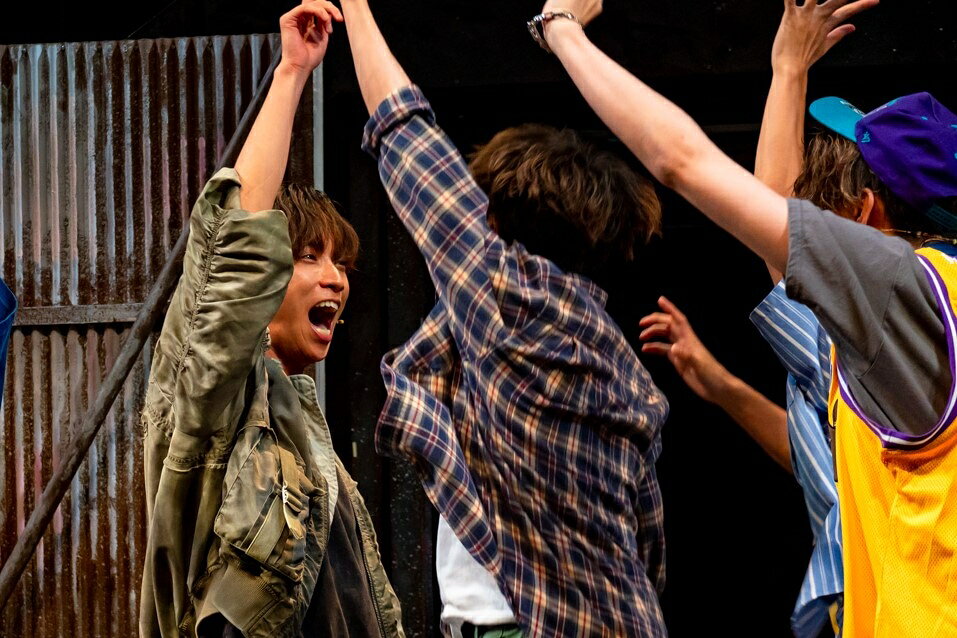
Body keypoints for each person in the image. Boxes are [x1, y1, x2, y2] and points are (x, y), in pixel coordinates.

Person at [539, 0, 957, 635]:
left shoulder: (898, 289)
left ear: (865, 212)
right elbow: (776, 216)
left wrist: (562, 33)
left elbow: (685, 163)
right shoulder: (929, 301)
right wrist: (788, 69)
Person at [339, 1, 670, 636]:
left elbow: (403, 130)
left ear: (494, 219)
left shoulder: (501, 295)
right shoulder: (629, 377)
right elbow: (647, 550)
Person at [139, 3, 404, 636]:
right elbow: (233, 254)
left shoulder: (313, 446)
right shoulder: (214, 404)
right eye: (308, 257)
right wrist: (291, 73)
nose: (335, 278)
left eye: (342, 263)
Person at [639, 2, 877, 634]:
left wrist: (789, 67)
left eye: (822, 211)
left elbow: (771, 211)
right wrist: (723, 386)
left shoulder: (873, 324)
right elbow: (824, 457)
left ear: (863, 212)